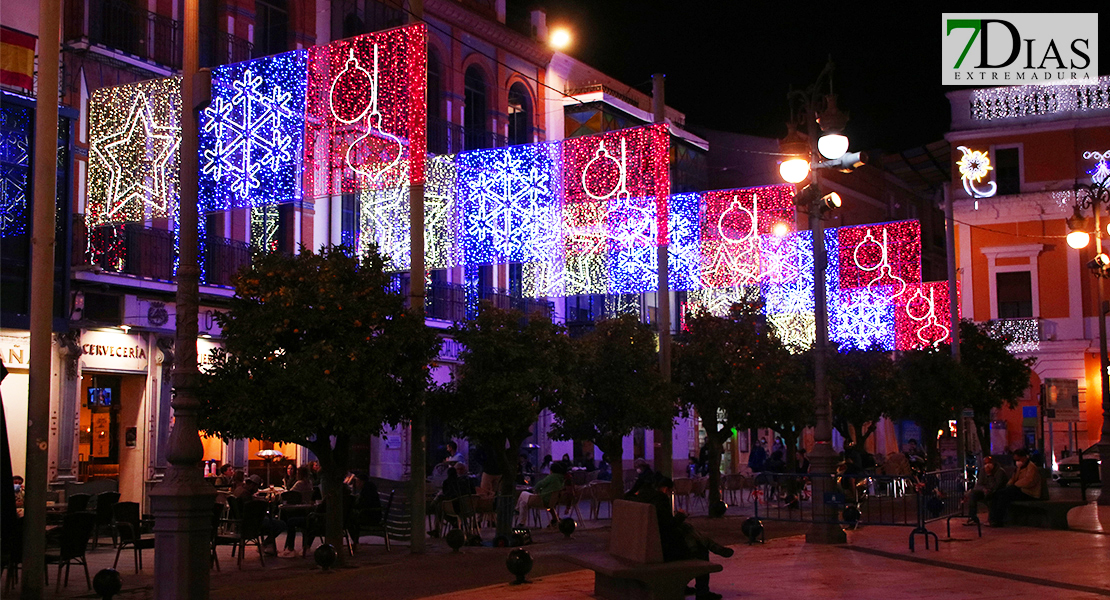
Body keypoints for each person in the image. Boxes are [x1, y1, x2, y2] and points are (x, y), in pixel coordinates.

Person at [632, 476, 734, 600]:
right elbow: (668, 526)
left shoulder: (644, 498)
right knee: (701, 551)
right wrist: (680, 516)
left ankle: (711, 547)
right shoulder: (660, 500)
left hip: (645, 546)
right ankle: (702, 591)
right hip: (663, 549)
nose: (670, 495)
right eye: (671, 491)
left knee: (687, 529)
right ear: (665, 489)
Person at [988, 448, 1044, 527]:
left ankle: (998, 520)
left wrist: (1015, 485)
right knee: (998, 494)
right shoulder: (1019, 467)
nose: (1017, 462)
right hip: (1020, 489)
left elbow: (1029, 481)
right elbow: (1014, 478)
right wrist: (1009, 485)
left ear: (1024, 457)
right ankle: (993, 519)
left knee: (1004, 495)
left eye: (1018, 459)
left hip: (1029, 492)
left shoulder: (1031, 467)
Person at [514, 462, 567, 527]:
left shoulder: (552, 477)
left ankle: (516, 510)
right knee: (523, 503)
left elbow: (540, 484)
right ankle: (521, 523)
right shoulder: (561, 480)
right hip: (551, 501)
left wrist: (536, 489)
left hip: (543, 499)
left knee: (523, 493)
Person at [964, 457, 1006, 525]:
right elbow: (979, 484)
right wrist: (983, 489)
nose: (987, 465)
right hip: (984, 491)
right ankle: (973, 518)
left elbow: (997, 486)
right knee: (973, 494)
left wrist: (989, 475)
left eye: (989, 463)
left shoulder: (1000, 472)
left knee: (992, 497)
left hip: (995, 491)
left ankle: (992, 520)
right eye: (985, 463)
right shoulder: (983, 470)